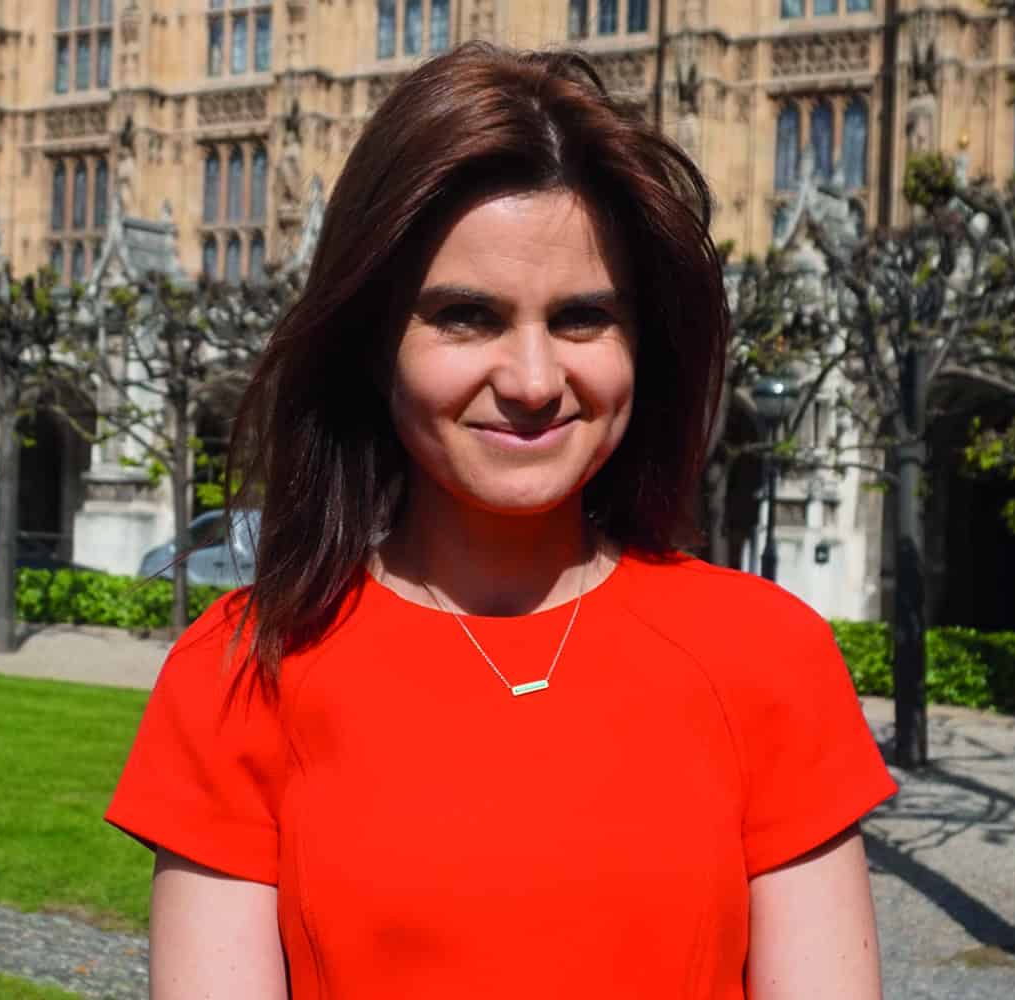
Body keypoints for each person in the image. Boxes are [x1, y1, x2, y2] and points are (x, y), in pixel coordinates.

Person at [107, 43, 896, 999]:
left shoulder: (768, 656)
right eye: (467, 317)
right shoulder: (242, 670)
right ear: (372, 343)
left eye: (582, 318)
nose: (532, 381)